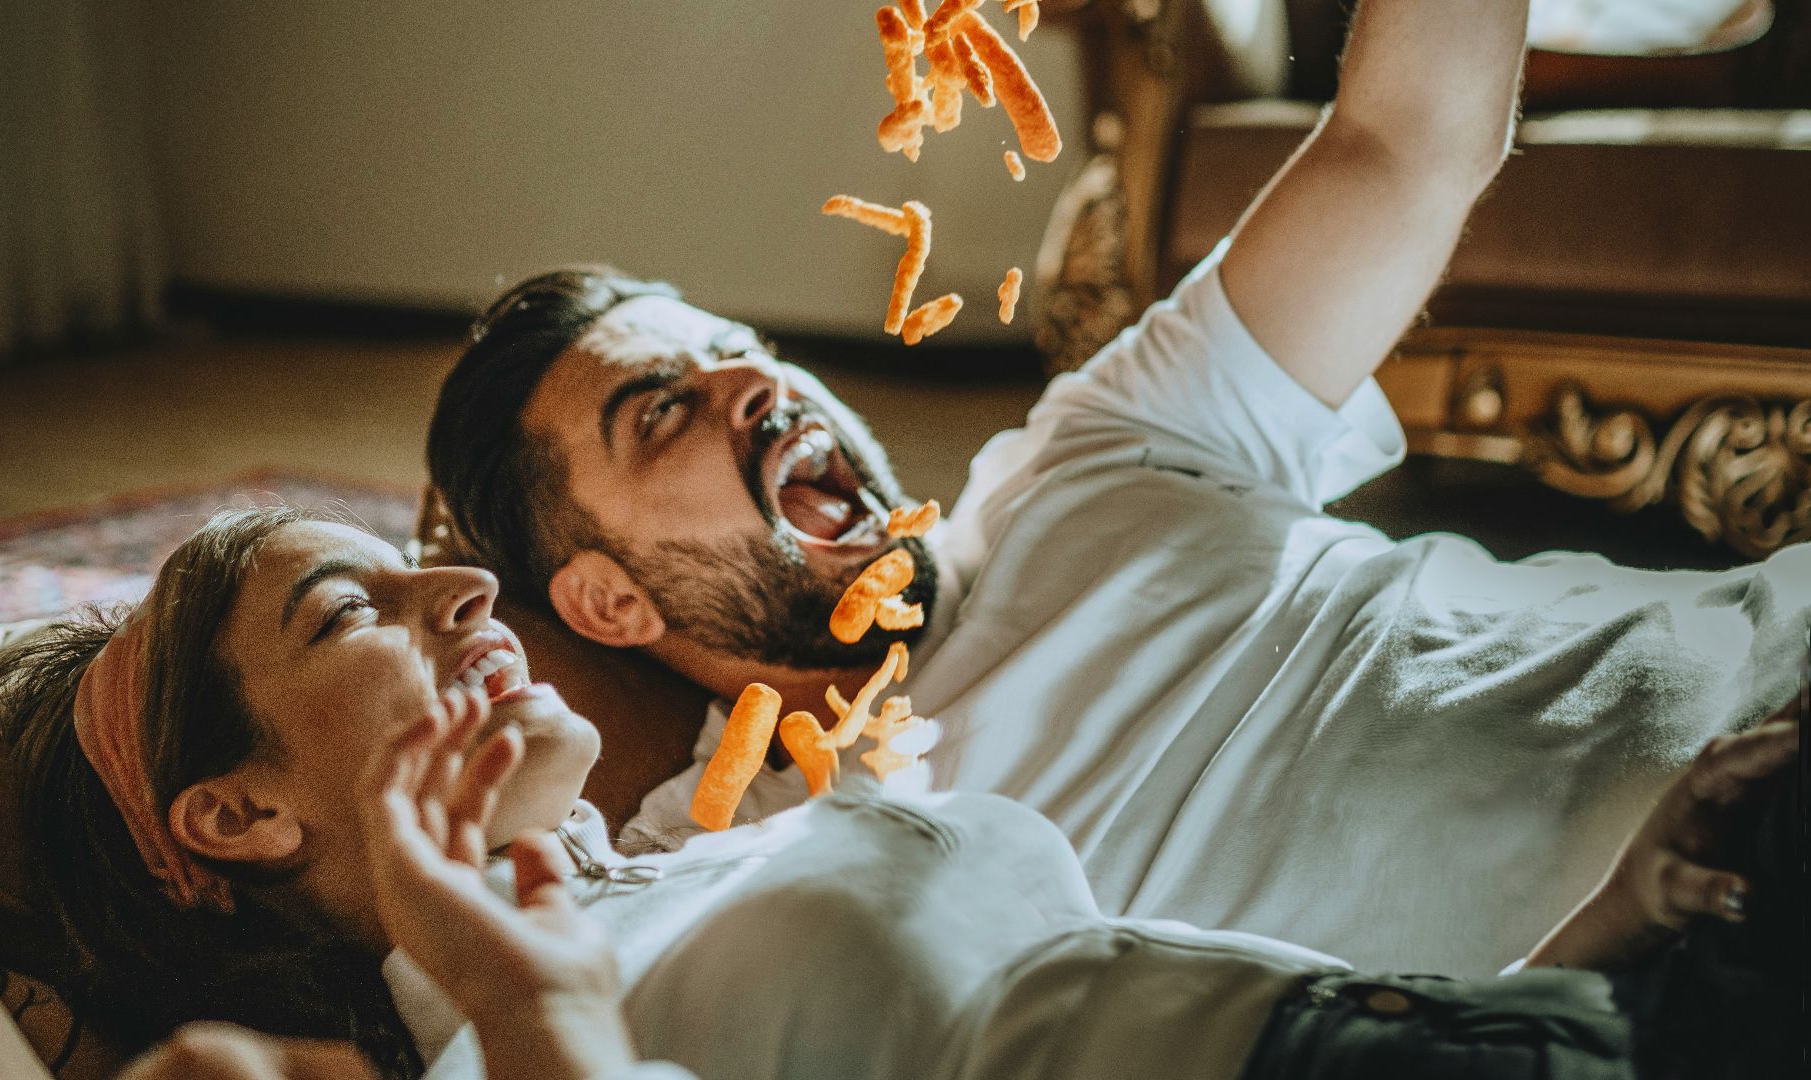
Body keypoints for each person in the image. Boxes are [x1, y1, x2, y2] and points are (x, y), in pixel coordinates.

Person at [423, 0, 1811, 978]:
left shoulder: (1094, 449)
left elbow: (1409, 142)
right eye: (662, 410)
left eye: (744, 352)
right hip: (1681, 956)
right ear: (600, 599)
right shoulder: (747, 863)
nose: (757, 388)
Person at [0, 508, 1802, 1080]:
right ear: (235, 815)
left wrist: (1604, 938)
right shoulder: (472, 1054)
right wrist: (522, 990)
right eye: (351, 609)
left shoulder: (688, 864)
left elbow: (1152, 997)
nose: (466, 596)